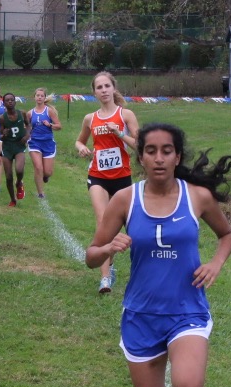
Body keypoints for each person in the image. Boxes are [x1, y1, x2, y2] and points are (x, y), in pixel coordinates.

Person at [85, 123, 231, 387]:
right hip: (140, 316)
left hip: (187, 311)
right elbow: (91, 256)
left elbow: (226, 234)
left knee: (187, 386)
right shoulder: (125, 199)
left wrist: (215, 263)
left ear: (177, 156)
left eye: (166, 150)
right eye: (150, 151)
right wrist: (108, 248)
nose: (158, 158)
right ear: (140, 158)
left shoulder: (197, 196)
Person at [75, 71, 140, 294]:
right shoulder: (90, 119)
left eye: (106, 86)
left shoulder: (126, 115)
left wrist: (120, 133)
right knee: (103, 222)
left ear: (113, 88)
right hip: (98, 177)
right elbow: (79, 141)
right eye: (99, 87)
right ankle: (105, 277)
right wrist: (82, 148)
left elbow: (140, 147)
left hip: (122, 178)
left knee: (129, 226)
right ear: (94, 92)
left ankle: (128, 268)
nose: (103, 90)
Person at [27, 88, 62, 199]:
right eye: (37, 95)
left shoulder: (49, 111)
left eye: (42, 96)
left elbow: (59, 126)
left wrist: (50, 125)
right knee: (38, 167)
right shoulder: (30, 113)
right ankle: (41, 193)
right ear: (34, 97)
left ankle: (45, 177)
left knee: (47, 172)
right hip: (34, 142)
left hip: (48, 143)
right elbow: (26, 128)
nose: (39, 97)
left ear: (44, 98)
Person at [0, 93, 31, 206]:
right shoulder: (2, 118)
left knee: (19, 170)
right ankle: (13, 199)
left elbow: (28, 126)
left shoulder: (22, 113)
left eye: (12, 100)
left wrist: (27, 136)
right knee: (8, 176)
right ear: (4, 103)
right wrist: (4, 134)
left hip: (19, 146)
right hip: (7, 148)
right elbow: (0, 135)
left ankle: (19, 183)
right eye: (7, 100)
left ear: (15, 102)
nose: (10, 102)